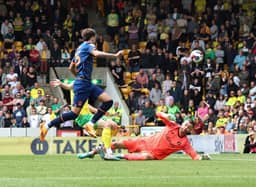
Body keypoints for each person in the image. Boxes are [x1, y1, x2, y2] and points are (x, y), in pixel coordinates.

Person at [40, 28, 123, 141]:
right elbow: (97, 54)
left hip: (86, 83)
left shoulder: (79, 49)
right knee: (74, 114)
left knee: (108, 101)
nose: (95, 40)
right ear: (92, 37)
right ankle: (47, 125)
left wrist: (78, 76)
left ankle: (91, 123)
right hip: (83, 84)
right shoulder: (89, 45)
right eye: (95, 38)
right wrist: (115, 56)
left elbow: (71, 68)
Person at [79, 112, 211, 161]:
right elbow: (157, 113)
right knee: (117, 144)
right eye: (186, 124)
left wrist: (202, 157)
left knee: (146, 157)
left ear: (189, 130)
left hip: (153, 154)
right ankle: (92, 152)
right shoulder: (172, 125)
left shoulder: (184, 143)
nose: (185, 127)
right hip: (143, 142)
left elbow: (194, 155)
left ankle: (118, 157)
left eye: (188, 127)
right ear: (183, 123)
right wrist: (165, 115)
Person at [49, 79, 119, 160]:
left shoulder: (84, 85)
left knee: (114, 125)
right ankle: (108, 152)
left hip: (89, 115)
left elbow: (86, 104)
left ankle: (98, 149)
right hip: (82, 117)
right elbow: (68, 87)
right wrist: (61, 84)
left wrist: (98, 111)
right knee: (108, 125)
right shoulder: (76, 82)